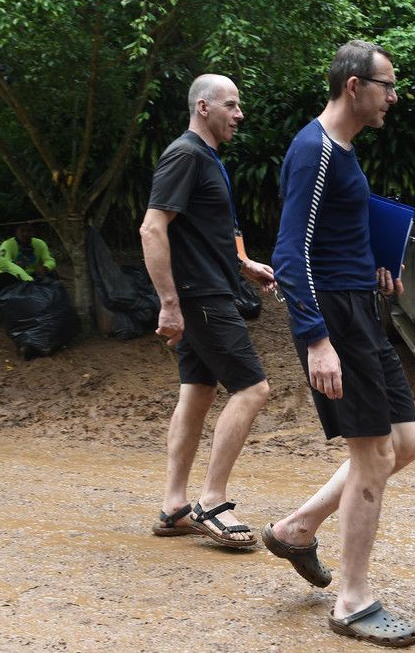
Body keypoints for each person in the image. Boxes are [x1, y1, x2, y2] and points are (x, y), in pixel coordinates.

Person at [266, 40, 415, 648]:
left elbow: (332, 234)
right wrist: (316, 340)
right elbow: (290, 253)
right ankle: (351, 601)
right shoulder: (314, 150)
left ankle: (297, 528)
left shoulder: (343, 150)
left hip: (361, 306)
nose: (393, 97)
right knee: (374, 455)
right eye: (387, 85)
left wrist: (373, 265)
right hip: (334, 319)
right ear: (354, 86)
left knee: (403, 444)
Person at [139, 74, 275, 547]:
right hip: (201, 297)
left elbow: (200, 233)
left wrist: (243, 264)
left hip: (209, 289)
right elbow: (152, 229)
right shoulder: (186, 155)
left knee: (197, 392)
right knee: (253, 389)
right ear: (203, 107)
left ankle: (174, 506)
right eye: (231, 105)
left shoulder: (207, 158)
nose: (239, 114)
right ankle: (212, 501)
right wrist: (169, 304)